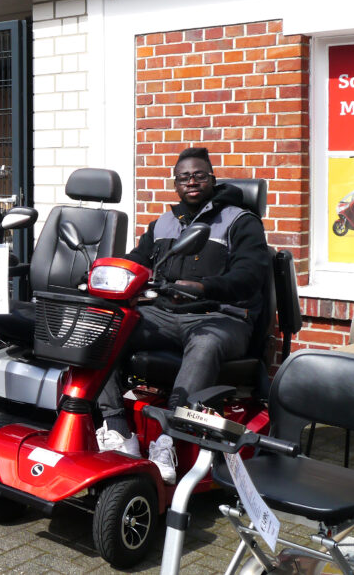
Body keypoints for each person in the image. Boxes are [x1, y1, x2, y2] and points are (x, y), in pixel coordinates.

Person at [95, 147, 270, 483]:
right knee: (108, 324)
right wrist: (106, 275)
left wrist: (204, 287)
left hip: (221, 319)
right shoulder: (163, 223)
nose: (192, 181)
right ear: (175, 184)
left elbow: (250, 276)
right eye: (184, 177)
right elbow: (137, 262)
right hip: (165, 314)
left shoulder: (241, 221)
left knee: (204, 344)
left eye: (199, 175)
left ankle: (168, 441)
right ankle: (116, 425)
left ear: (212, 179)